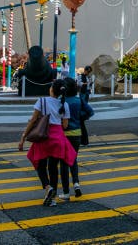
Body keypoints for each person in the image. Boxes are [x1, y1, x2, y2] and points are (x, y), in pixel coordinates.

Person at [18, 78, 76, 207]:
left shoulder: (42, 101)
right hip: (58, 138)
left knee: (39, 163)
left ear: (51, 89)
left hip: (44, 136)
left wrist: (23, 137)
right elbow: (65, 125)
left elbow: (33, 120)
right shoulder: (64, 104)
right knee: (53, 168)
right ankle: (53, 198)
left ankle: (47, 187)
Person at [59, 77, 94, 200]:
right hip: (77, 134)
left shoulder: (61, 101)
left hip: (64, 135)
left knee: (63, 163)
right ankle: (76, 183)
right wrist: (80, 117)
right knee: (73, 159)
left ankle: (66, 192)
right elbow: (90, 112)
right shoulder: (79, 100)